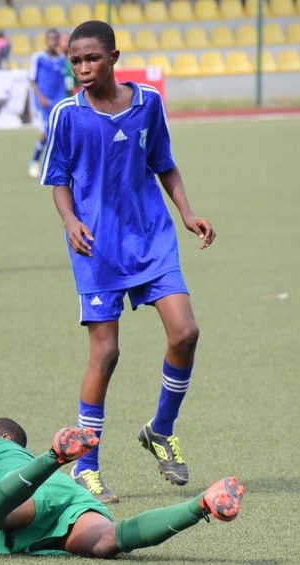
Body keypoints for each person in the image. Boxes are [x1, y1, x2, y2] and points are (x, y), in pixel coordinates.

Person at [41, 21, 216, 503]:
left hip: (152, 239)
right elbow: (58, 179)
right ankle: (86, 468)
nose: (83, 68)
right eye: (76, 61)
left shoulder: (147, 103)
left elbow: (164, 163)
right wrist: (69, 221)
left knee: (185, 332)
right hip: (96, 247)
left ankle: (161, 428)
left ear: (114, 58)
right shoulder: (67, 114)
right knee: (106, 354)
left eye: (92, 58)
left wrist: (187, 214)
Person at [0, 418, 243, 558]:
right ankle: (202, 505)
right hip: (66, 496)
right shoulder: (8, 465)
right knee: (109, 541)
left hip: (36, 492)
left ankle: (53, 457)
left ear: (4, 437)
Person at [27, 28, 68, 178]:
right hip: (43, 102)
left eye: (55, 39)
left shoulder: (63, 59)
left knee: (60, 133)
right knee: (46, 132)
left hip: (58, 101)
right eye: (50, 38)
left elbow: (66, 80)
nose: (53, 41)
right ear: (46, 40)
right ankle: (34, 161)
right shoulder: (38, 57)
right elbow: (32, 79)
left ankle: (59, 164)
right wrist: (40, 98)